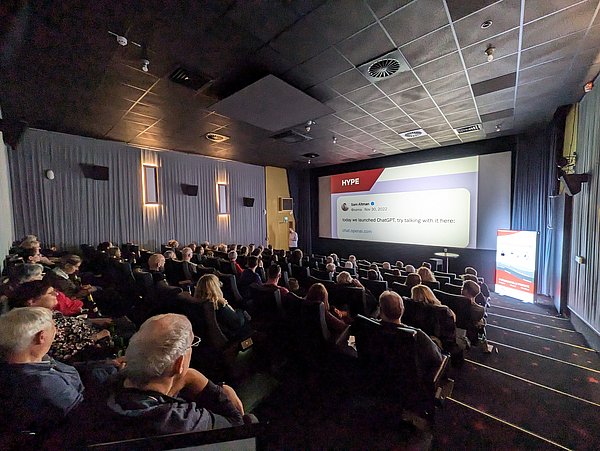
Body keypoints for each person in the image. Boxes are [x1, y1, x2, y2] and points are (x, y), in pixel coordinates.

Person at [57, 314, 249, 447]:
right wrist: (199, 381)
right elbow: (235, 426)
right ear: (179, 363)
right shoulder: (181, 421)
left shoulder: (96, 387)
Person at [0, 307, 84, 439]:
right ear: (41, 337)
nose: (56, 330)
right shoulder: (48, 386)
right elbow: (84, 416)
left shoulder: (14, 365)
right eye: (53, 327)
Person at [9, 281, 112, 362]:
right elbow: (63, 353)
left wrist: (93, 321)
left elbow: (69, 321)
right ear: (31, 301)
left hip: (93, 329)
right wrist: (97, 337)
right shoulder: (36, 325)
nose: (56, 293)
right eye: (50, 293)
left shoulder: (48, 313)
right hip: (93, 348)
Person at [378, 291, 444, 381]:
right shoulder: (417, 335)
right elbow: (437, 359)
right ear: (403, 310)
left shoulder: (368, 325)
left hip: (379, 377)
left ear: (380, 310)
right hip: (409, 384)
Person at [194, 274, 249, 340]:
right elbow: (237, 323)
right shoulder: (218, 304)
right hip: (233, 336)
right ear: (215, 287)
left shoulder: (197, 303)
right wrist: (241, 311)